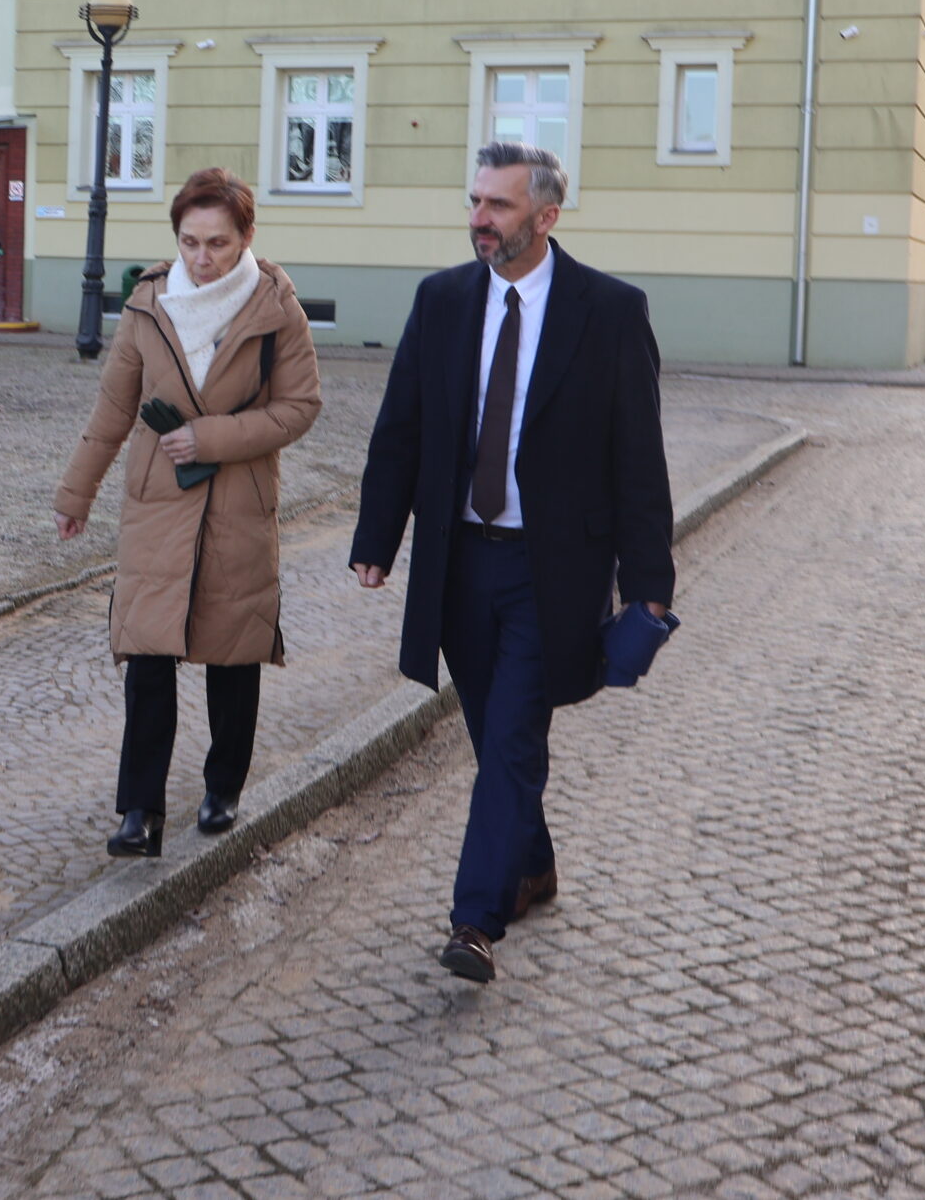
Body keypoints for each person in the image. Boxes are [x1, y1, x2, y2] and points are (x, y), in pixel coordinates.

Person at [348, 142, 674, 982]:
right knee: (497, 737)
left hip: (549, 572)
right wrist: (375, 541)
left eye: (497, 205)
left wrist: (646, 592)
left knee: (517, 732)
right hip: (460, 564)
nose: (479, 219)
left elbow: (640, 460)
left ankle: (475, 918)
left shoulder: (609, 311)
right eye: (475, 201)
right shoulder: (443, 299)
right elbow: (402, 428)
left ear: (546, 216)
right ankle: (532, 865)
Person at [55, 168, 323, 858]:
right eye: (190, 241)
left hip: (238, 502)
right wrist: (75, 493)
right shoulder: (149, 302)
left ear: (247, 238)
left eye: (218, 243)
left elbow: (300, 406)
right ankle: (139, 810)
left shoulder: (276, 307)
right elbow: (114, 407)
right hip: (157, 503)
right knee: (148, 654)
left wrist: (212, 437)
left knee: (233, 653)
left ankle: (223, 785)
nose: (202, 258)